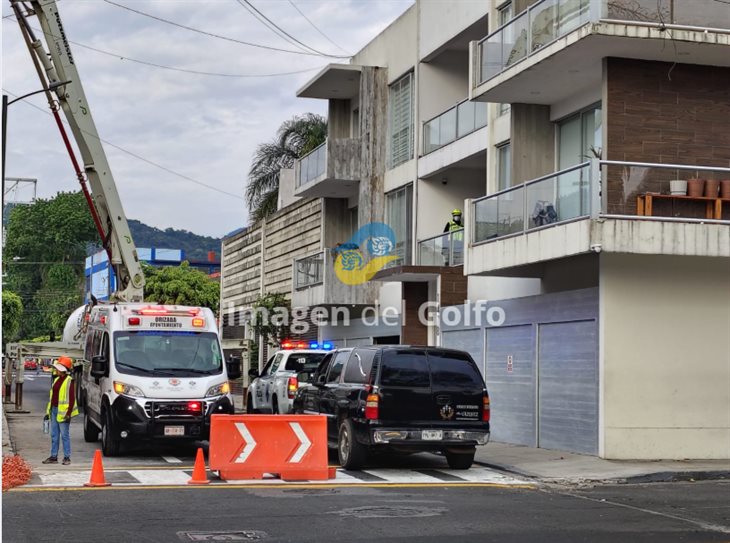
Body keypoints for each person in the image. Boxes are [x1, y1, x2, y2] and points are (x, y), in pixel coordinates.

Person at [42, 356, 78, 465]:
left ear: (63, 369)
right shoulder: (56, 379)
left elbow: (72, 399)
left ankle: (67, 457)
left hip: (63, 413)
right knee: (54, 435)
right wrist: (48, 412)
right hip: (53, 410)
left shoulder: (69, 381)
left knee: (64, 435)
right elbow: (52, 397)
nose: (56, 370)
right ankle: (53, 457)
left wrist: (68, 414)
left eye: (58, 368)